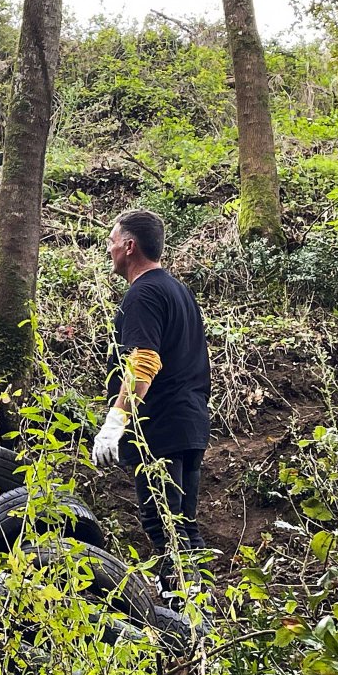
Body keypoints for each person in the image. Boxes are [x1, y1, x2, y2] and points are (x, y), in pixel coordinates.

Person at [91, 209, 211, 595]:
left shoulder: (143, 293)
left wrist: (115, 422)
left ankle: (178, 610)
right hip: (190, 425)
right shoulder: (177, 290)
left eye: (112, 241)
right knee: (182, 525)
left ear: (129, 246)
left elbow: (145, 361)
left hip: (160, 428)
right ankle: (195, 608)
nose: (108, 249)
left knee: (163, 523)